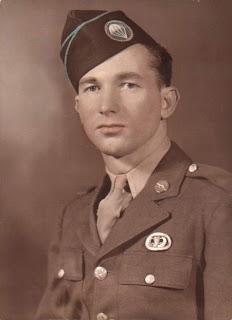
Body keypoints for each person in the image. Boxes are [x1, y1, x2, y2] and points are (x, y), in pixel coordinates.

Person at [35, 9, 232, 320]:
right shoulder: (73, 216)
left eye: (128, 85)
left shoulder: (217, 206)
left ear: (166, 102)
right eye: (92, 87)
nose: (106, 106)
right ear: (78, 107)